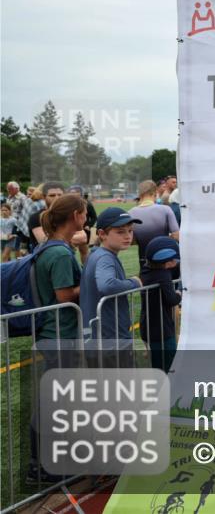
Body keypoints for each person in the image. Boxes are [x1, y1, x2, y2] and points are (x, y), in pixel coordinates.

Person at [28, 193, 88, 483]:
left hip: (53, 333)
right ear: (76, 216)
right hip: (59, 335)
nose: (86, 217)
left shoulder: (51, 247)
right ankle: (43, 467)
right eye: (84, 212)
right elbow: (65, 296)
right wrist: (89, 283)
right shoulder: (60, 253)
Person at [80, 207, 144, 344]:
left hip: (102, 335)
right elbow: (107, 285)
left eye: (130, 230)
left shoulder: (97, 253)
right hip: (110, 337)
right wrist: (134, 282)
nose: (127, 236)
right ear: (102, 234)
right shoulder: (105, 257)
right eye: (120, 232)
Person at [140, 236, 182, 372]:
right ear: (166, 262)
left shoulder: (146, 270)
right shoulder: (163, 275)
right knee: (169, 365)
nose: (176, 262)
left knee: (157, 365)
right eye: (174, 259)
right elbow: (172, 299)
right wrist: (178, 294)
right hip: (162, 331)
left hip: (147, 327)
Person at [27, 182, 88, 257]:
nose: (56, 198)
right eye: (52, 195)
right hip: (46, 259)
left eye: (60, 195)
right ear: (44, 197)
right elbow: (45, 242)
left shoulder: (68, 214)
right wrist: (69, 238)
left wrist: (60, 239)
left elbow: (83, 238)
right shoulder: (36, 217)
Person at [130, 180, 180, 263]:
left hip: (144, 259)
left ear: (140, 194)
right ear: (155, 192)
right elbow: (176, 236)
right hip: (165, 257)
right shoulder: (166, 209)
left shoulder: (130, 213)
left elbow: (131, 240)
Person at [6, 181, 31, 256]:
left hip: (19, 225)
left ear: (17, 189)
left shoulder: (22, 197)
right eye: (8, 189)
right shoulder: (9, 197)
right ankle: (9, 260)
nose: (8, 190)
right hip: (9, 223)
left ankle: (20, 259)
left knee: (18, 245)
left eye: (10, 189)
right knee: (8, 243)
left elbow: (26, 211)